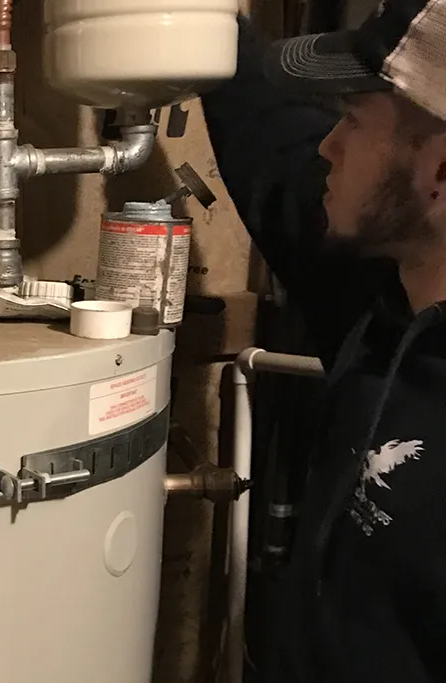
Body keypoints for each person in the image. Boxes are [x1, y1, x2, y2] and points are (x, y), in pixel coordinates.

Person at [200, 0, 446, 681]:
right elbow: (274, 153)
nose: (326, 144)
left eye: (353, 118)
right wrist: (217, 27)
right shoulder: (385, 299)